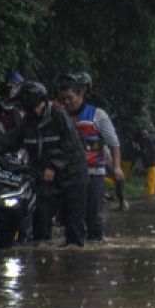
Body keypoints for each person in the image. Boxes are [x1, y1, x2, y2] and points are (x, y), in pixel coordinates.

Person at [0, 81, 88, 246]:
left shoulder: (59, 117)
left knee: (73, 224)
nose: (35, 109)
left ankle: (74, 255)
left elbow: (71, 147)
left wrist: (53, 166)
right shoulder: (28, 122)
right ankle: (41, 253)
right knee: (41, 216)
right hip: (44, 176)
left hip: (72, 176)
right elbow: (10, 139)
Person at [56, 72, 122, 242]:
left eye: (70, 98)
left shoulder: (97, 115)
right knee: (69, 217)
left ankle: (95, 246)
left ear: (81, 95)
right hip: (69, 174)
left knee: (94, 216)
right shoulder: (59, 115)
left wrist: (116, 167)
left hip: (93, 172)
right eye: (63, 99)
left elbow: (113, 142)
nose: (67, 102)